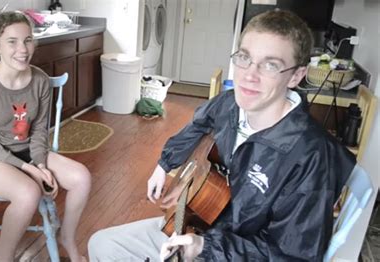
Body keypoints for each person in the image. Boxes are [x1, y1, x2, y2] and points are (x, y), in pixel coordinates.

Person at [88, 10, 356, 261]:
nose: (249, 75)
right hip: (203, 223)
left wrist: (207, 248)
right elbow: (198, 124)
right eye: (244, 58)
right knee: (101, 244)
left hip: (232, 251)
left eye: (270, 65)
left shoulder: (311, 156)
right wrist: (164, 165)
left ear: (296, 76)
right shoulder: (229, 104)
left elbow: (291, 255)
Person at [0, 11, 90, 262]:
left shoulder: (41, 81)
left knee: (81, 177)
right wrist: (31, 170)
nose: (23, 49)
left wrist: (41, 164)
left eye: (28, 40)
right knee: (28, 193)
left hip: (29, 152)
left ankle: (67, 238)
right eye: (12, 41)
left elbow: (39, 132)